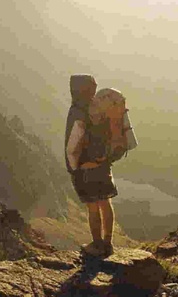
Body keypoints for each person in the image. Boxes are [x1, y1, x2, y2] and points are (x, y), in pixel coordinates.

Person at [65, 74, 118, 257]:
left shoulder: (78, 111)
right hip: (103, 164)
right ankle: (108, 243)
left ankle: (96, 245)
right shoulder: (101, 108)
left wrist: (73, 168)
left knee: (93, 207)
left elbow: (73, 144)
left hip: (86, 168)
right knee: (106, 203)